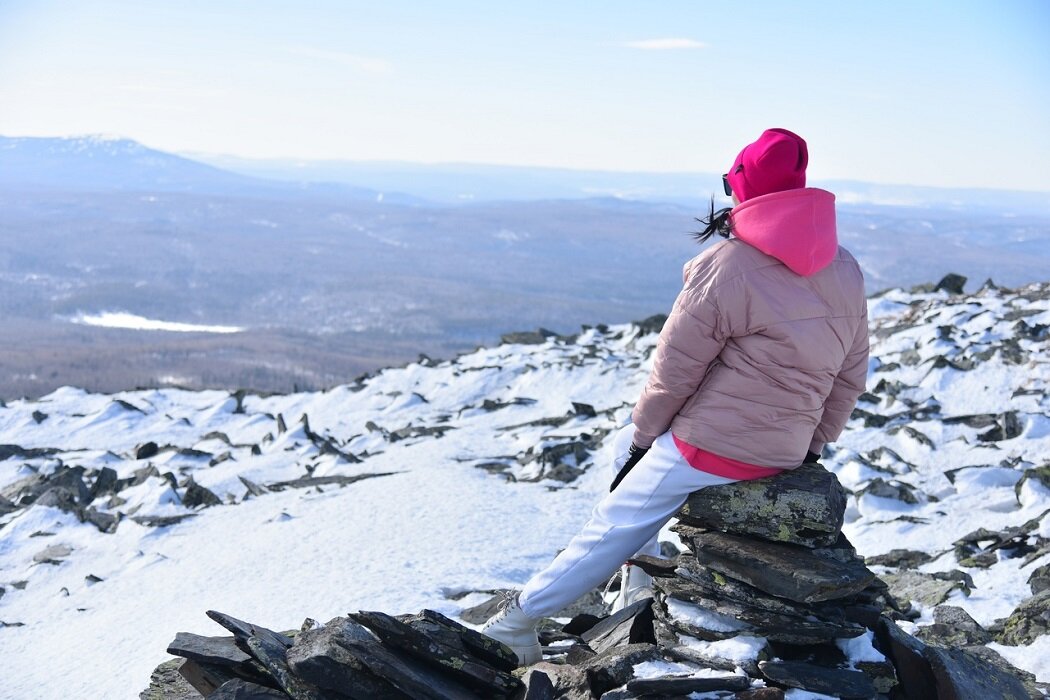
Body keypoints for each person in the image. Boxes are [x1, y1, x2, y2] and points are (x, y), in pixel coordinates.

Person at [481, 128, 869, 665]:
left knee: (615, 520)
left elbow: (674, 372)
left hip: (714, 445)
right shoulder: (843, 266)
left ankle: (517, 622)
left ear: (743, 190)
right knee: (621, 448)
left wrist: (646, 440)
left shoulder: (726, 265)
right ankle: (637, 585)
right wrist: (811, 448)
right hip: (786, 448)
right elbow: (850, 374)